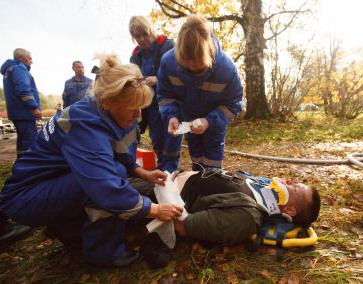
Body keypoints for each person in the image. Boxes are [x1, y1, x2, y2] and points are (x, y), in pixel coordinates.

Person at [0, 54, 183, 267]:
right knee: (112, 175)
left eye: (141, 107)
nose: (138, 115)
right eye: (132, 108)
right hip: (26, 198)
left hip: (51, 184)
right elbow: (106, 187)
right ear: (107, 101)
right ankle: (105, 254)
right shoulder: (84, 125)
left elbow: (120, 152)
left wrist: (143, 173)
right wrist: (155, 209)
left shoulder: (103, 112)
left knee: (116, 170)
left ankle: (68, 228)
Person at [157, 15, 243, 171]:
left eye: (199, 67)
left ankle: (212, 183)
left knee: (212, 166)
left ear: (208, 55)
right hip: (190, 122)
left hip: (215, 124)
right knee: (196, 160)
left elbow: (234, 103)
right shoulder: (167, 63)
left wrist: (209, 121)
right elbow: (165, 95)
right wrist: (172, 116)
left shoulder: (227, 69)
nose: (192, 70)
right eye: (186, 66)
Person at [172, 169, 321, 245]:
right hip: (176, 175)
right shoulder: (263, 186)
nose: (287, 180)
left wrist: (159, 197)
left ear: (290, 210)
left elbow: (183, 226)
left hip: (169, 193)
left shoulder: (246, 217)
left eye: (293, 187)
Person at [129, 15, 181, 172]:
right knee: (157, 139)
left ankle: (170, 170)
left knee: (171, 136)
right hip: (150, 106)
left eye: (144, 34)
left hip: (171, 102)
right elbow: (134, 77)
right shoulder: (135, 56)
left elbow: (180, 73)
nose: (142, 39)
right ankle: (163, 167)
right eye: (137, 36)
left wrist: (158, 79)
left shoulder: (168, 46)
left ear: (151, 30)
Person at [0, 48, 41, 158]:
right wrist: (34, 107)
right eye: (29, 58)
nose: (31, 61)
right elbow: (24, 90)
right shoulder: (19, 69)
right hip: (25, 112)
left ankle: (21, 164)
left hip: (16, 112)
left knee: (22, 139)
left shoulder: (9, 70)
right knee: (30, 140)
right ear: (20, 58)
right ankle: (30, 168)